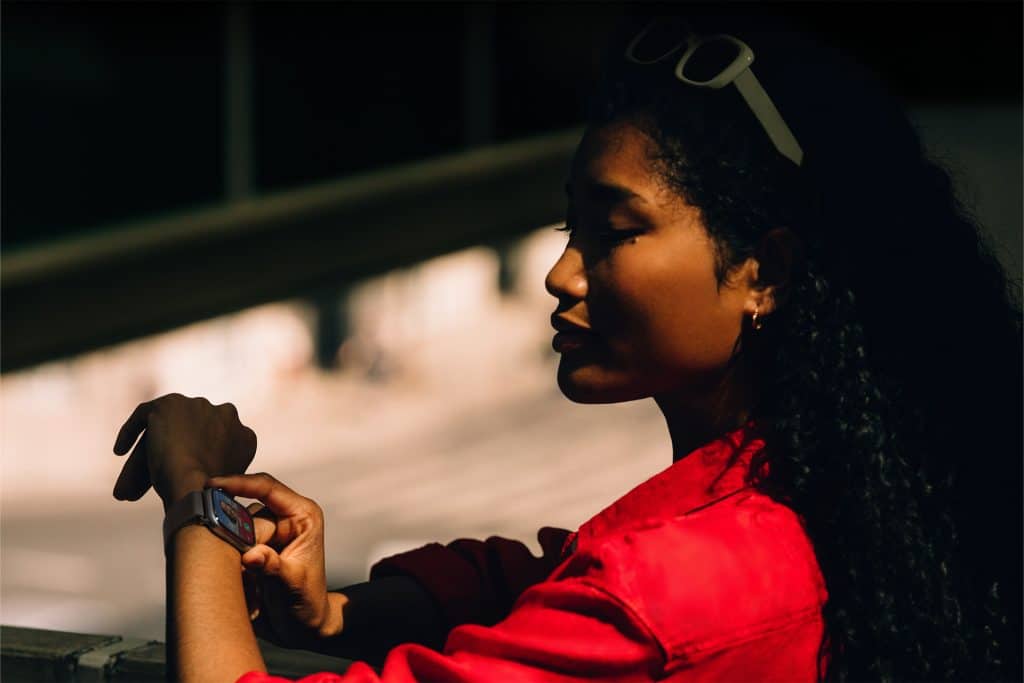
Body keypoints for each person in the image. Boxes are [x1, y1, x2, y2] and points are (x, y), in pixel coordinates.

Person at [112, 10, 1022, 683]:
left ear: (762, 272)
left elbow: (611, 600)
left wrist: (198, 504)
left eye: (615, 230)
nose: (561, 273)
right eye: (567, 223)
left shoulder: (665, 589)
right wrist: (340, 610)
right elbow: (545, 575)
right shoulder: (840, 498)